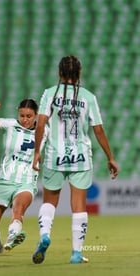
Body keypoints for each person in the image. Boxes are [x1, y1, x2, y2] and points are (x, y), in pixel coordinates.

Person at [31, 55, 119, 264]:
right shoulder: (88, 97)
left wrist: (37, 152)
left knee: (50, 201)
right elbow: (98, 130)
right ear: (79, 73)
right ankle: (76, 253)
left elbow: (41, 124)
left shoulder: (49, 94)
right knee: (79, 205)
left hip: (55, 155)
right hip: (80, 157)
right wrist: (110, 157)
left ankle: (44, 236)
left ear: (60, 73)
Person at [0, 99, 40, 254]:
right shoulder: (10, 124)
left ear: (36, 115)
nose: (25, 119)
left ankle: (12, 237)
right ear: (18, 113)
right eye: (22, 115)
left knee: (18, 210)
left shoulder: (44, 131)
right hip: (3, 180)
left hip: (26, 181)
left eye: (29, 116)